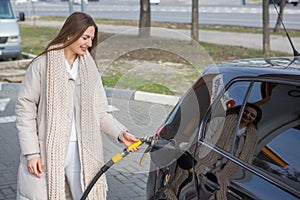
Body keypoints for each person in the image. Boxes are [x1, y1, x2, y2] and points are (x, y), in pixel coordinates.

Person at [15, 12, 139, 200]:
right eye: (85, 37)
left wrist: (121, 134)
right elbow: (25, 110)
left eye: (92, 39)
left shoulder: (90, 69)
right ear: (70, 34)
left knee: (87, 195)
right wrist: (32, 152)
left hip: (83, 152)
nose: (89, 43)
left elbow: (101, 112)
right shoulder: (42, 65)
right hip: (47, 152)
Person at [197, 103, 262, 200]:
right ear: (240, 110)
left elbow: (250, 155)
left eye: (252, 115)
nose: (248, 115)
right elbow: (204, 136)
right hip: (205, 161)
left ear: (255, 120)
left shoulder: (253, 135)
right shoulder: (222, 120)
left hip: (224, 170)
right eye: (246, 111)